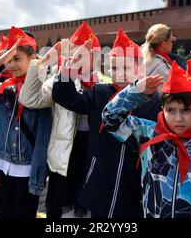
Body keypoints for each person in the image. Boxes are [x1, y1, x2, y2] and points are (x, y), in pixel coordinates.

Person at [102, 62, 191, 218]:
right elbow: (110, 118)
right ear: (162, 109)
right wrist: (135, 91)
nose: (178, 118)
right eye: (170, 110)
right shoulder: (149, 134)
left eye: (186, 110)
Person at [52, 29, 161, 218]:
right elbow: (64, 96)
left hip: (134, 186)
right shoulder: (100, 93)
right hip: (99, 180)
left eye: (125, 68)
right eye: (114, 68)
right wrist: (69, 70)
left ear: (141, 68)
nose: (118, 74)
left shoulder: (153, 101)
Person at [19, 22, 103, 218]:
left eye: (84, 54)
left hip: (92, 160)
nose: (77, 59)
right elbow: (29, 99)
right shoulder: (59, 81)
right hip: (63, 162)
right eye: (74, 54)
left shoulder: (105, 84)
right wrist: (43, 63)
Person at [0, 27, 52, 218]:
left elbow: (43, 136)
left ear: (33, 59)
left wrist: (38, 174)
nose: (12, 65)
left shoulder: (43, 91)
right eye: (10, 61)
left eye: (17, 59)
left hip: (27, 168)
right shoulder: (4, 88)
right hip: (5, 165)